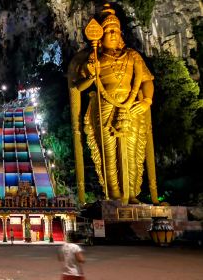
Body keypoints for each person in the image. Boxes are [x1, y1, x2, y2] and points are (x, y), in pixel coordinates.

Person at [68, 4, 159, 205]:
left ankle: (133, 193)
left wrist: (146, 100)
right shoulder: (95, 59)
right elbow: (79, 87)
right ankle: (114, 194)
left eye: (116, 31)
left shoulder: (132, 56)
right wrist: (92, 74)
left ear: (120, 34)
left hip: (131, 106)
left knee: (133, 150)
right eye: (108, 30)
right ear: (99, 36)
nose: (112, 34)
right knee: (108, 153)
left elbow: (146, 80)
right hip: (104, 107)